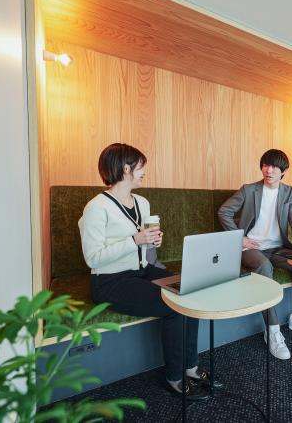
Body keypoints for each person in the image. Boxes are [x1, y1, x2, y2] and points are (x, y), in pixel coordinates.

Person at [78, 143, 211, 399]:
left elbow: (142, 244)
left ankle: (190, 366)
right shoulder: (96, 208)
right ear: (126, 168)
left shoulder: (142, 202)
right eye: (141, 166)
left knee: (190, 290)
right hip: (109, 281)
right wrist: (135, 240)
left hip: (141, 270)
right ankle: (174, 378)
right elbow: (92, 258)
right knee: (174, 306)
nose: (144, 171)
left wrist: (151, 241)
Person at [217, 149, 292, 359]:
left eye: (274, 167)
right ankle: (272, 329)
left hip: (278, 248)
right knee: (264, 266)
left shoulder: (288, 192)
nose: (269, 170)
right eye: (265, 165)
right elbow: (224, 211)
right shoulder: (249, 190)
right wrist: (239, 238)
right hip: (252, 248)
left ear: (284, 171)